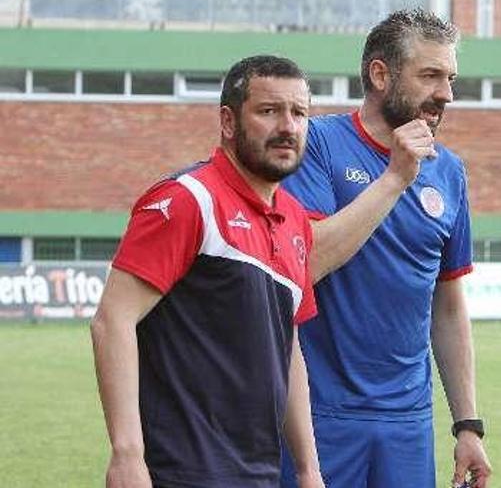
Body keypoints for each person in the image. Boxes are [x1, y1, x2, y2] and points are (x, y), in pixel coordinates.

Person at [91, 54, 429, 488]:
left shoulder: (293, 222)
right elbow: (111, 321)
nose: (287, 127)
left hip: (260, 472)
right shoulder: (188, 200)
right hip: (178, 470)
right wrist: (127, 454)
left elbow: (287, 350)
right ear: (229, 122)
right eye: (269, 111)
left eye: (299, 113)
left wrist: (308, 469)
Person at [279, 8, 492, 488]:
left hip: (408, 423)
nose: (446, 93)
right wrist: (395, 178)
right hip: (319, 414)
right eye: (431, 75)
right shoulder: (319, 145)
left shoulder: (449, 171)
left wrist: (467, 424)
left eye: (450, 77)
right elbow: (305, 263)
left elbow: (449, 303)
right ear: (380, 74)